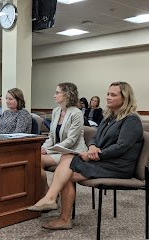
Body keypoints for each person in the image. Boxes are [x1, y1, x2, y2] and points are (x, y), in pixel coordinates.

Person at [27, 82, 143, 231]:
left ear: (125, 98)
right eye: (108, 93)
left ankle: (59, 210)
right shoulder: (109, 117)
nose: (108, 97)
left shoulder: (131, 119)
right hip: (104, 159)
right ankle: (54, 205)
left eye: (113, 95)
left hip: (118, 165)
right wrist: (93, 147)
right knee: (67, 159)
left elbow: (122, 147)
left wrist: (94, 155)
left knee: (67, 169)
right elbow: (95, 137)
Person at [40, 82, 87, 197]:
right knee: (33, 160)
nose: (54, 95)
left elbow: (71, 141)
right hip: (59, 151)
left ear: (67, 94)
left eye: (57, 92)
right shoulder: (56, 111)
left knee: (37, 160)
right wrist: (43, 147)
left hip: (73, 152)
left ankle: (48, 195)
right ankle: (45, 192)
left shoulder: (76, 113)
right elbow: (51, 136)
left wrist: (48, 150)